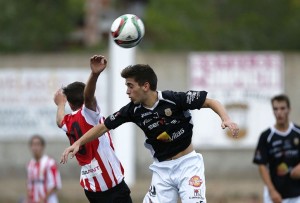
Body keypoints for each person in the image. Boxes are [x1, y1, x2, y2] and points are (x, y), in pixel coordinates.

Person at [60, 63, 239, 203]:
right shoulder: (132, 110)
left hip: (188, 165)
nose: (127, 91)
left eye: (130, 86)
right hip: (162, 170)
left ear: (145, 86)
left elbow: (210, 102)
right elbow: (103, 127)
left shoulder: (173, 98)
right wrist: (78, 143)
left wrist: (226, 118)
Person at [53, 55, 132, 203]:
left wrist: (60, 105)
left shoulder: (68, 121)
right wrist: (95, 74)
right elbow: (89, 98)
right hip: (111, 185)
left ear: (70, 104)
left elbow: (59, 121)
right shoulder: (88, 114)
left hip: (91, 188)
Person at [253, 94, 300, 203]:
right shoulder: (266, 136)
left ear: (289, 110)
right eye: (276, 109)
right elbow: (262, 165)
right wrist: (272, 190)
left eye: (282, 108)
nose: (279, 112)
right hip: (275, 195)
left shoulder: (298, 132)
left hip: (297, 193)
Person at [27, 135, 62, 203]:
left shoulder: (50, 163)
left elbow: (55, 184)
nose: (35, 147)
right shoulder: (30, 164)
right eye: (33, 145)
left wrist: (43, 198)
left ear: (42, 146)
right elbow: (29, 185)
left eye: (37, 144)